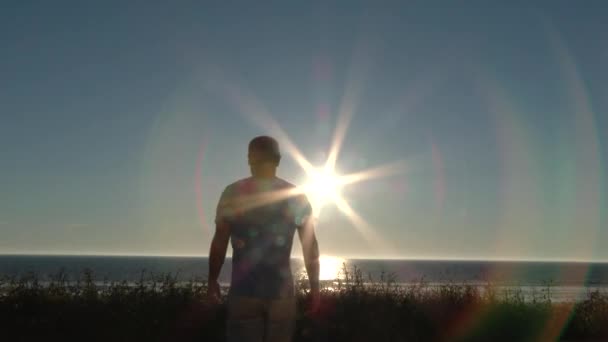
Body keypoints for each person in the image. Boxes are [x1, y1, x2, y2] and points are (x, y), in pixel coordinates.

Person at [207, 136, 320, 342]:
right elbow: (310, 246)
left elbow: (220, 241)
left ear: (250, 159)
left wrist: (212, 280)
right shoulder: (296, 196)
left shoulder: (233, 193)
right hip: (282, 294)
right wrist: (315, 289)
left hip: (244, 292)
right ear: (278, 160)